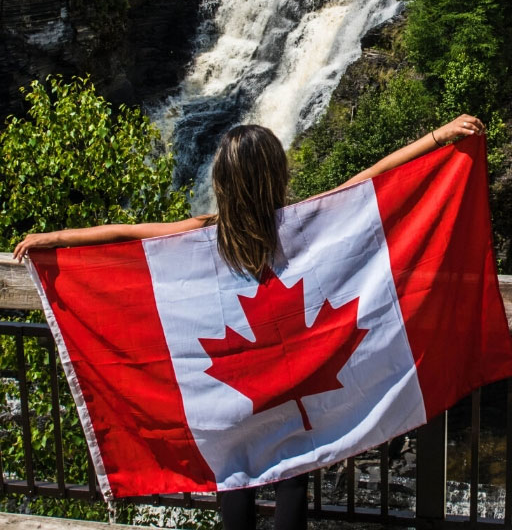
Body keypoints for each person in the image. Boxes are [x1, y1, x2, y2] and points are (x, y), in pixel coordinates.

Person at [12, 113, 485, 530]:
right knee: (293, 473)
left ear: (223, 181)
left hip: (234, 390)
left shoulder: (207, 234)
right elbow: (372, 180)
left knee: (234, 475)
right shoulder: (303, 223)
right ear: (275, 175)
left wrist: (53, 238)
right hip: (294, 377)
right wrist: (438, 137)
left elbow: (128, 237)